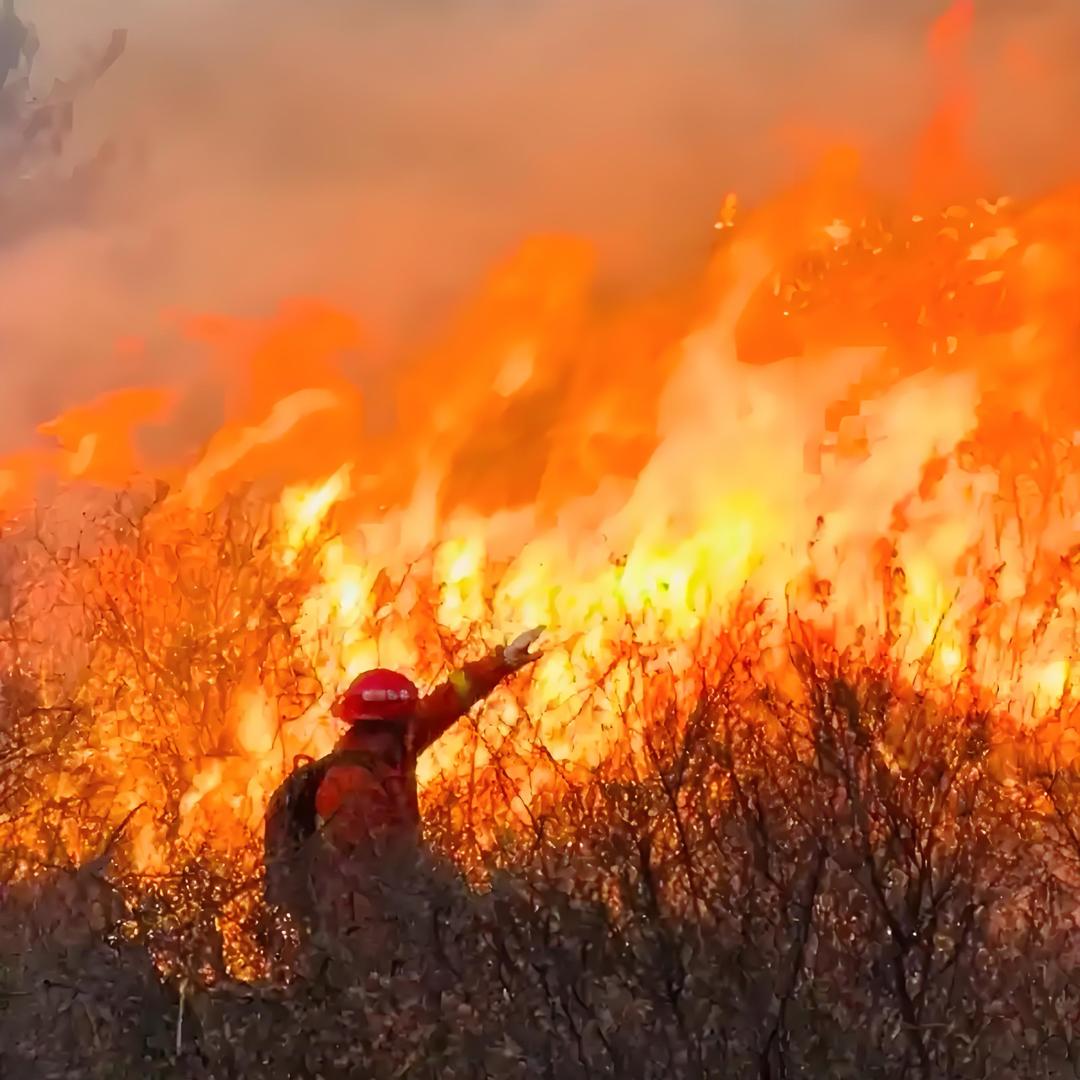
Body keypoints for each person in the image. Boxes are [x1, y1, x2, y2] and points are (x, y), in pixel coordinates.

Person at [263, 627, 544, 962]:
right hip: (361, 929)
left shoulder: (393, 747)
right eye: (410, 714)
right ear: (391, 723)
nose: (418, 719)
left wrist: (501, 662)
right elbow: (389, 863)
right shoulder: (350, 784)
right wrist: (450, 892)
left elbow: (449, 697)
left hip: (392, 913)